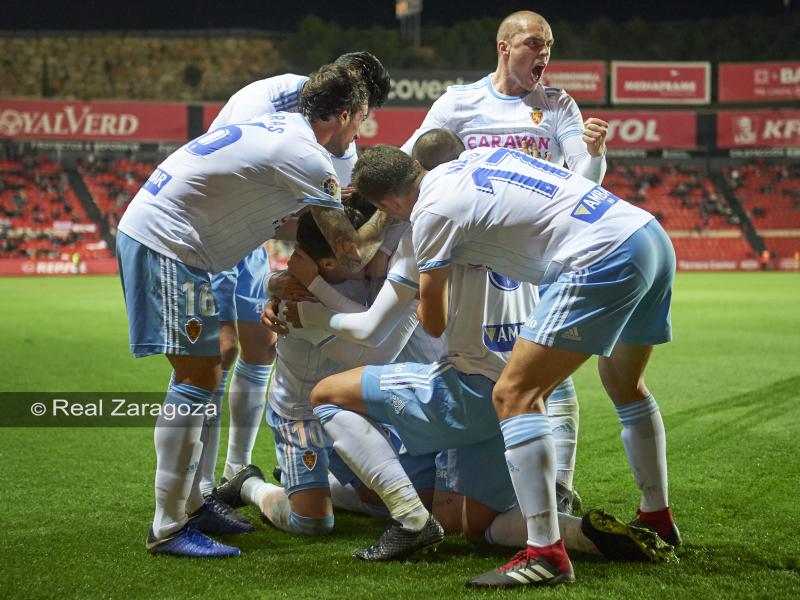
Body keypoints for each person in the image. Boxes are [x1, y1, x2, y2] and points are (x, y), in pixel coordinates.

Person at [325, 143, 679, 588]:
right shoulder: (478, 156)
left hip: (598, 256)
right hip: (646, 233)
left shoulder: (430, 213)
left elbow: (433, 324)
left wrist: (434, 272)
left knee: (514, 395)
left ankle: (546, 555)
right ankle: (657, 516)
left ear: (391, 202)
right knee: (626, 386)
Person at [116, 63, 389, 558]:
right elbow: (350, 253)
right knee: (196, 377)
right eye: (359, 121)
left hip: (183, 243)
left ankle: (192, 505)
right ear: (345, 113)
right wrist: (393, 207)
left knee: (207, 371)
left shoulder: (284, 125)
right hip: (169, 243)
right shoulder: (308, 155)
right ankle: (167, 527)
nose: (357, 135)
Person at [400, 11, 610, 511]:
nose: (543, 54)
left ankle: (558, 485)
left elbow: (584, 182)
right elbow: (411, 161)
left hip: (536, 262)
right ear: (503, 46)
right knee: (475, 365)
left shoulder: (557, 104)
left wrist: (596, 153)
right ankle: (480, 478)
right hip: (475, 269)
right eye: (533, 43)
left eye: (549, 46)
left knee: (549, 368)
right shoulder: (459, 101)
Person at [194, 53, 391, 514]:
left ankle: (235, 471)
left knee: (261, 346)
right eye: (361, 112)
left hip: (252, 235)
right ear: (347, 98)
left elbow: (320, 221)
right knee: (217, 353)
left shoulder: (340, 143)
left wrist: (294, 270)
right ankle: (200, 489)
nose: (361, 126)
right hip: (216, 224)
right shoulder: (271, 98)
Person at [212, 208, 435, 536]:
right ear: (330, 261)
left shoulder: (369, 275)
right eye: (352, 247)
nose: (362, 249)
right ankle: (249, 485)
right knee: (313, 523)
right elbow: (372, 348)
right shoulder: (295, 298)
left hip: (355, 406)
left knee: (380, 504)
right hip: (303, 412)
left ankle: (315, 483)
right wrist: (408, 308)